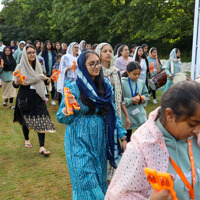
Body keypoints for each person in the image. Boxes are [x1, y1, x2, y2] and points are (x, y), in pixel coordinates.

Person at [106, 81, 200, 200]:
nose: (197, 131)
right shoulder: (142, 148)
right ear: (170, 115)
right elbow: (118, 196)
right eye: (192, 124)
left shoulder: (195, 137)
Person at [57, 50, 127, 200]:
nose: (96, 66)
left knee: (97, 179)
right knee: (86, 181)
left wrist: (123, 136)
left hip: (99, 140)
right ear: (83, 65)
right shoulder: (74, 86)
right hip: (77, 140)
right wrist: (66, 110)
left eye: (98, 63)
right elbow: (60, 118)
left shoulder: (105, 86)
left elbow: (113, 113)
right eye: (91, 64)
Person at [95, 43, 131, 182]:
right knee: (103, 143)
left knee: (114, 143)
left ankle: (111, 177)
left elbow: (120, 96)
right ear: (99, 53)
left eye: (110, 51)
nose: (108, 53)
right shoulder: (96, 71)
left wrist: (126, 116)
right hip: (101, 113)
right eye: (105, 51)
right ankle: (101, 175)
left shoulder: (116, 71)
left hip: (115, 113)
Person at [13, 45, 55, 155]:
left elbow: (41, 79)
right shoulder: (20, 67)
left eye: (33, 52)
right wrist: (17, 81)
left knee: (42, 119)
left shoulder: (39, 66)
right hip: (25, 97)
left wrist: (48, 80)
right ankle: (26, 139)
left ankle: (42, 147)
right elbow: (15, 85)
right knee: (26, 120)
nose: (32, 54)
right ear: (25, 54)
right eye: (29, 52)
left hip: (38, 96)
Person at [121, 61, 148, 142]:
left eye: (139, 74)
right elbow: (119, 100)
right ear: (128, 73)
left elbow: (146, 94)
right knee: (127, 139)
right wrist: (130, 100)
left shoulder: (141, 82)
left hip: (140, 115)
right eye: (134, 74)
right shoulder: (122, 82)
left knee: (142, 139)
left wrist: (143, 98)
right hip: (127, 115)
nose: (137, 76)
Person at [40, 40, 56, 105]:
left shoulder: (54, 52)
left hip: (53, 72)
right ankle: (46, 96)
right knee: (45, 84)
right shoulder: (43, 53)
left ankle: (53, 99)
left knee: (53, 86)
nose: (49, 45)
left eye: (50, 44)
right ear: (45, 45)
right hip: (45, 72)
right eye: (47, 44)